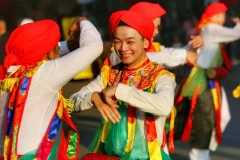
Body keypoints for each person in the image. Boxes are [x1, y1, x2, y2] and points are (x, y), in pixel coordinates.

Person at [71, 10, 176, 159]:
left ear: (145, 42)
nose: (122, 48)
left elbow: (165, 106)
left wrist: (120, 91)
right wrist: (93, 97)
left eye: (130, 42)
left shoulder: (160, 76)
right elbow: (71, 102)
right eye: (117, 41)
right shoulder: (110, 74)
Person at [0, 17, 103, 159]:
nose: (59, 50)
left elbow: (51, 49)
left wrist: (73, 44)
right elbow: (94, 47)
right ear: (48, 52)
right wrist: (82, 21)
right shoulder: (43, 74)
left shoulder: (10, 72)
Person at [174, 2, 240, 159]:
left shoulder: (207, 30)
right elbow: (237, 34)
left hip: (209, 80)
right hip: (202, 81)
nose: (225, 18)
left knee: (221, 115)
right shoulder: (211, 29)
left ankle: (205, 148)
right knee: (204, 119)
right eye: (223, 15)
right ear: (215, 16)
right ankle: (200, 153)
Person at [108, 2, 203, 69]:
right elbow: (150, 58)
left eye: (158, 27)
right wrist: (185, 54)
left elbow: (167, 54)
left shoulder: (153, 48)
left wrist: (193, 46)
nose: (156, 32)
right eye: (154, 27)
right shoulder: (120, 51)